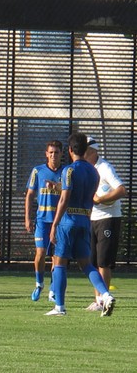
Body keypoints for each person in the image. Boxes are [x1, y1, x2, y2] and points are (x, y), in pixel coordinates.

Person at [47, 132, 116, 316]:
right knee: (86, 264)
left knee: (60, 262)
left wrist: (54, 224)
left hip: (68, 220)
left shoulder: (69, 170)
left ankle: (59, 307)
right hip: (85, 220)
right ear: (85, 150)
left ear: (69, 150)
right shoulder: (93, 171)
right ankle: (106, 295)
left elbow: (64, 199)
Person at [83, 136, 126, 312]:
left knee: (104, 262)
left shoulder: (105, 167)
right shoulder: (87, 169)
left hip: (108, 218)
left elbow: (121, 189)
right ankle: (98, 299)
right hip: (93, 218)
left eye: (84, 151)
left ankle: (104, 299)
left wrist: (101, 199)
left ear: (92, 151)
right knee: (92, 262)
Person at [25, 140, 62, 302]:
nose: (53, 155)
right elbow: (30, 195)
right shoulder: (38, 171)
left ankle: (53, 290)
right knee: (40, 253)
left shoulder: (66, 172)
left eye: (56, 152)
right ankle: (39, 283)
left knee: (57, 257)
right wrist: (27, 217)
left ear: (62, 153)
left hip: (60, 222)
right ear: (46, 154)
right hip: (42, 220)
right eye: (51, 152)